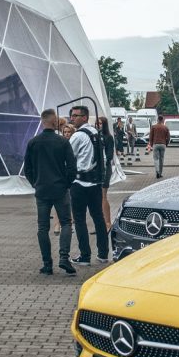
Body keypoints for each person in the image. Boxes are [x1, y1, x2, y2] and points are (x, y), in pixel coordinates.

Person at [23, 109, 77, 276]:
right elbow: (72, 167)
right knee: (66, 223)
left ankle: (47, 264)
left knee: (43, 227)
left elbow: (28, 169)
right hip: (60, 189)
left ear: (42, 122)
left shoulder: (33, 143)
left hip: (42, 190)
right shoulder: (62, 142)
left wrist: (36, 183)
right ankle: (64, 257)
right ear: (55, 122)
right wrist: (67, 183)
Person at [67, 105, 110, 265]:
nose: (72, 118)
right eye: (72, 115)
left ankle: (85, 256)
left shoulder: (78, 136)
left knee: (79, 219)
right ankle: (103, 254)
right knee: (98, 217)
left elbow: (69, 156)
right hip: (95, 183)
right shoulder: (95, 133)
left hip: (80, 182)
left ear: (84, 117)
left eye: (76, 116)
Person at [96, 117, 116, 229]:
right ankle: (101, 223)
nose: (98, 125)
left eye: (100, 123)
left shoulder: (108, 137)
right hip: (96, 169)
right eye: (96, 123)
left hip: (104, 168)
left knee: (103, 196)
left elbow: (109, 155)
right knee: (97, 197)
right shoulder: (94, 136)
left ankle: (108, 222)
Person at [147, 114, 170, 179]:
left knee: (156, 159)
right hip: (163, 144)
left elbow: (151, 136)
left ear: (157, 120)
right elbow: (168, 137)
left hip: (155, 144)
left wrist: (151, 144)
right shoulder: (165, 127)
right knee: (161, 159)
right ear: (162, 120)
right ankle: (160, 173)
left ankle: (157, 171)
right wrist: (166, 144)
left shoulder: (153, 127)